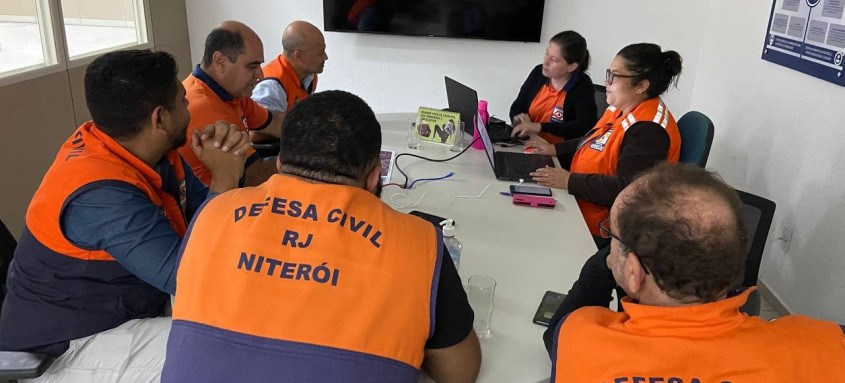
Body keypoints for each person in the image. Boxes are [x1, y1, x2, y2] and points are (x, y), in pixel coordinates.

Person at [162, 90, 481, 383]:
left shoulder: (211, 215)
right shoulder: (419, 242)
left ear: (281, 163)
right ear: (374, 176)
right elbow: (460, 373)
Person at [0, 50, 249, 381]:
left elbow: (205, 217)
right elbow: (189, 279)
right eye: (184, 101)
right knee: (226, 354)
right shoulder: (100, 196)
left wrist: (223, 175)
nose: (190, 109)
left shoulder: (143, 148)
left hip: (128, 306)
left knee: (246, 312)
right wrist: (225, 179)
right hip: (67, 347)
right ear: (160, 119)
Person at [544, 163, 845, 382]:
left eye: (613, 236)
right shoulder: (826, 344)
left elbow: (557, 335)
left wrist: (601, 267)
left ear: (634, 273)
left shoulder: (580, 335)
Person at [527, 43, 683, 245]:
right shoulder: (622, 106)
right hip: (580, 201)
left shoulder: (648, 130)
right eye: (608, 73)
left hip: (604, 229)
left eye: (614, 76)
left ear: (641, 86)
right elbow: (594, 140)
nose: (606, 81)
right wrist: (553, 149)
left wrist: (569, 181)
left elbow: (629, 190)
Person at [180, 20, 284, 186]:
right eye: (252, 66)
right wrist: (310, 157)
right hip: (214, 204)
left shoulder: (233, 91)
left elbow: (275, 122)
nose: (260, 74)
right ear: (220, 62)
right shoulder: (203, 107)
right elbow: (255, 176)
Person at [510, 30, 597, 144]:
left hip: (557, 153)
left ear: (571, 67)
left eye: (554, 60)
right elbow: (518, 105)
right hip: (528, 142)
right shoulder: (538, 73)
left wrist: (539, 127)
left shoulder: (582, 86)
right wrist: (518, 119)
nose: (545, 62)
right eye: (547, 53)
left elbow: (583, 127)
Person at [251, 20, 327, 116]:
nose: (325, 57)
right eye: (321, 53)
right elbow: (260, 130)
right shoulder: (271, 88)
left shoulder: (310, 74)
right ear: (299, 56)